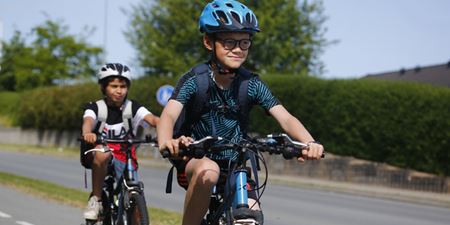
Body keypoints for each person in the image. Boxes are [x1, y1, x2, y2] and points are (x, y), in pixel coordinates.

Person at [157, 1, 324, 225]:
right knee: (209, 171)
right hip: (196, 158)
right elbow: (168, 115)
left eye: (244, 42)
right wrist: (167, 142)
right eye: (229, 41)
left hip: (235, 163)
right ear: (209, 42)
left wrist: (309, 143)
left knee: (251, 214)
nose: (237, 49)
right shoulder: (195, 81)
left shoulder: (251, 84)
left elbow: (285, 117)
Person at [81, 63, 159, 221]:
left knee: (135, 196)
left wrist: (168, 126)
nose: (119, 90)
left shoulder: (133, 107)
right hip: (101, 157)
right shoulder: (95, 107)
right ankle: (96, 200)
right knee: (103, 153)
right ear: (103, 87)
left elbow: (153, 119)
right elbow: (88, 121)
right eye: (114, 86)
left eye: (123, 86)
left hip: (126, 156)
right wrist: (88, 133)